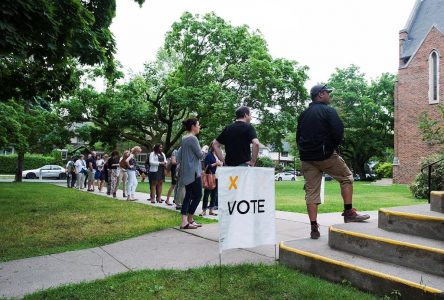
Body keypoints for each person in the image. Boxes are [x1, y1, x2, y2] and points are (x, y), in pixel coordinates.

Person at [296, 84, 370, 240]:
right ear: (321, 94)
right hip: (326, 156)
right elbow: (338, 132)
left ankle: (314, 228)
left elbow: (298, 137)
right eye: (328, 93)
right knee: (347, 177)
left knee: (311, 193)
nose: (330, 95)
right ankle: (349, 213)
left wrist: (305, 152)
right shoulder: (328, 111)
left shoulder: (303, 114)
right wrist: (331, 149)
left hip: (307, 159)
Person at [177, 118, 206, 229]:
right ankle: (185, 221)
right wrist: (204, 149)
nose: (199, 127)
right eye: (198, 125)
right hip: (194, 172)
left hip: (187, 172)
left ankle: (188, 220)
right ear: (193, 126)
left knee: (189, 195)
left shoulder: (184, 138)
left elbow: (179, 156)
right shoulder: (193, 138)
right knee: (198, 195)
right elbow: (201, 156)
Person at [199, 142, 222, 216]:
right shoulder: (209, 155)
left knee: (214, 194)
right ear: (213, 146)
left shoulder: (219, 155)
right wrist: (216, 164)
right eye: (217, 146)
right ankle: (204, 210)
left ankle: (211, 210)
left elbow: (222, 163)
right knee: (206, 194)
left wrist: (221, 163)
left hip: (217, 176)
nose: (218, 147)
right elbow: (207, 165)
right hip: (210, 176)